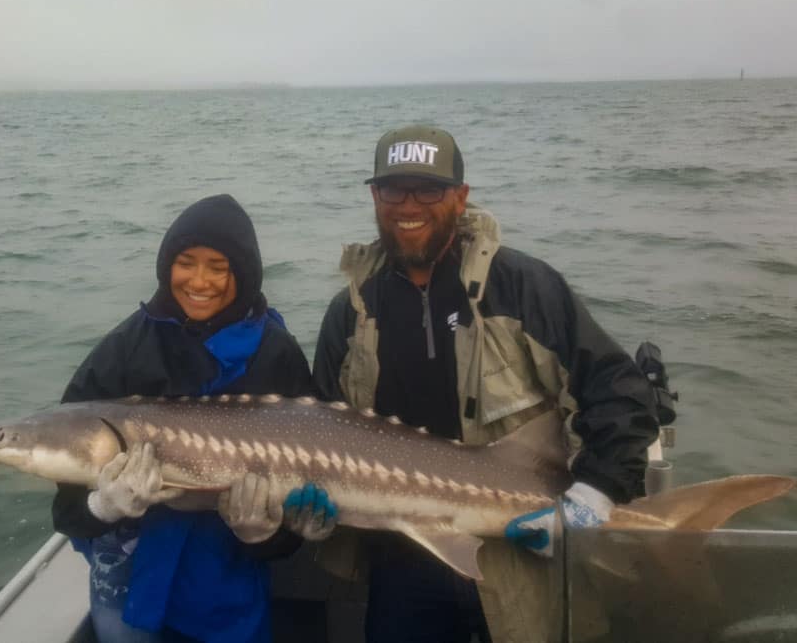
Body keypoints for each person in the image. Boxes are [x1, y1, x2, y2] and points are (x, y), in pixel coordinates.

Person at [311, 126, 659, 643]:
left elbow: (620, 393)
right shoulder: (349, 313)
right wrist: (309, 509)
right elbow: (319, 430)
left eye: (427, 189)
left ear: (460, 196)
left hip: (524, 560)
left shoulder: (522, 288)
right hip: (401, 567)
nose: (409, 205)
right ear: (374, 196)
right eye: (393, 189)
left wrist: (595, 493)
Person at [51, 193, 331, 643]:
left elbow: (297, 519)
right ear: (167, 266)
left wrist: (274, 533)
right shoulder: (124, 348)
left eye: (218, 267)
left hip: (222, 591)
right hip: (128, 589)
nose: (199, 281)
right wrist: (102, 506)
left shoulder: (276, 354)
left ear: (242, 272)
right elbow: (66, 510)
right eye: (186, 262)